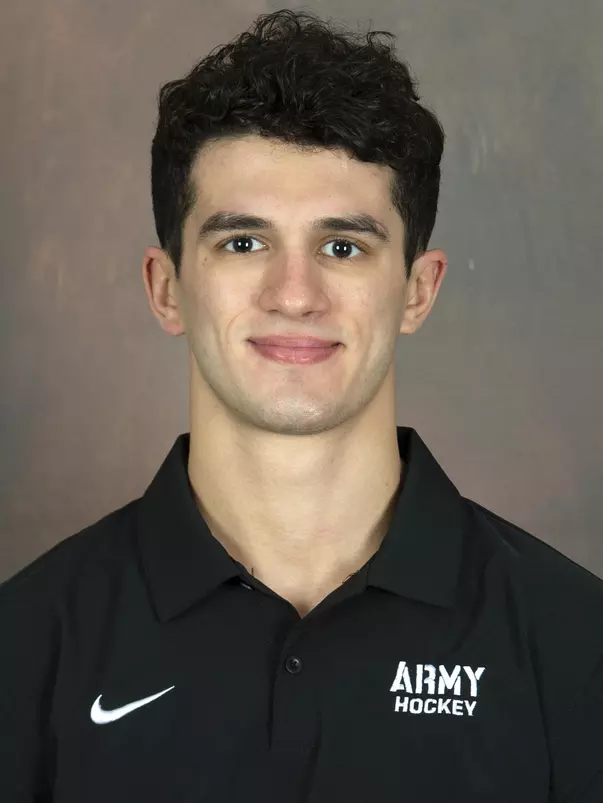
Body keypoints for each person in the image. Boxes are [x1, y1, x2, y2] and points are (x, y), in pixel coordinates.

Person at [1, 8, 601, 803]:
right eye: (242, 242)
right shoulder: (25, 642)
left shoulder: (574, 640)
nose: (294, 294)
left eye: (343, 246)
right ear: (165, 285)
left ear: (418, 290)